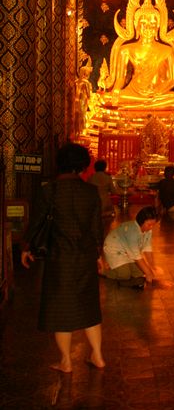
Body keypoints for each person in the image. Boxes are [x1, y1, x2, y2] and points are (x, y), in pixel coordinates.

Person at [21, 143, 105, 373]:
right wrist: (99, 254)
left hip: (60, 257)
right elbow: (97, 228)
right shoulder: (90, 192)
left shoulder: (50, 190)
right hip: (85, 255)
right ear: (83, 165)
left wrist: (27, 248)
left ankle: (66, 361)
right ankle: (97, 355)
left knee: (61, 308)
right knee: (88, 306)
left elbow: (37, 222)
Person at [103, 206, 162, 288]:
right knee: (124, 275)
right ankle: (106, 270)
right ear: (141, 221)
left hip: (128, 252)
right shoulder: (132, 232)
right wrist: (148, 273)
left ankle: (118, 267)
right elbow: (136, 255)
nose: (151, 227)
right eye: (149, 224)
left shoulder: (148, 230)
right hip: (115, 250)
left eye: (153, 225)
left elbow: (147, 248)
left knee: (140, 272)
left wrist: (152, 267)